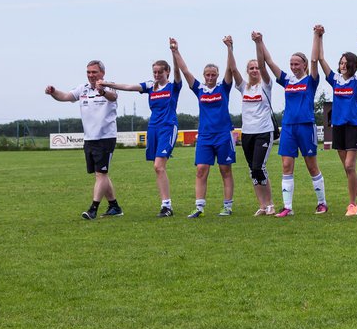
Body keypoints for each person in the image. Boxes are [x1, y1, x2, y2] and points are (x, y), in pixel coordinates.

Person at [253, 29, 328, 216]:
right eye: (291, 64)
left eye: (297, 64)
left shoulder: (311, 80)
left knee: (311, 165)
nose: (293, 67)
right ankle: (287, 207)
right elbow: (269, 62)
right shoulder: (287, 80)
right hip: (288, 127)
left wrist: (316, 36)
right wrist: (260, 42)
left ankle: (322, 203)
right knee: (286, 165)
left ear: (303, 65)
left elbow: (314, 59)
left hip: (305, 126)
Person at [98, 53, 181, 216]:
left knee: (159, 166)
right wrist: (106, 83)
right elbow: (129, 87)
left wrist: (174, 52)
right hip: (153, 128)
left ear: (167, 72)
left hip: (168, 127)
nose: (157, 75)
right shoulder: (150, 86)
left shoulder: (173, 87)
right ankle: (165, 205)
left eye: (160, 72)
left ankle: (167, 206)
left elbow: (179, 72)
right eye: (155, 72)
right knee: (157, 168)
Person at [44, 59, 123, 219]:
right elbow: (65, 96)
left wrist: (102, 91)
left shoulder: (110, 86)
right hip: (89, 138)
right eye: (88, 72)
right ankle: (114, 206)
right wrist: (53, 92)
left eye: (94, 72)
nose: (91, 75)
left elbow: (113, 97)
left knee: (101, 174)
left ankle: (93, 209)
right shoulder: (83, 89)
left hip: (105, 137)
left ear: (102, 73)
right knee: (101, 174)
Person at [171, 37, 236, 218]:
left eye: (213, 74)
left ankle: (227, 206)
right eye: (207, 74)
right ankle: (199, 207)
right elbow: (185, 71)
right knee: (201, 170)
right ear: (203, 75)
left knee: (225, 170)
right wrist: (175, 51)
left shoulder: (223, 88)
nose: (210, 77)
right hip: (205, 136)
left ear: (216, 75)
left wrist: (230, 48)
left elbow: (230, 69)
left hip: (223, 134)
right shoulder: (199, 89)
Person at [316, 25, 357, 216]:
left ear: (352, 65)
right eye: (341, 62)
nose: (342, 65)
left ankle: (352, 204)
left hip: (353, 125)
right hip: (337, 126)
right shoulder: (335, 80)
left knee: (349, 166)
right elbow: (321, 59)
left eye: (346, 63)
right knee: (348, 169)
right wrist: (319, 36)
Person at [235, 49, 275, 216]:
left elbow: (264, 66)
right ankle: (262, 205)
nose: (254, 70)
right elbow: (233, 70)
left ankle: (271, 204)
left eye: (257, 67)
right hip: (247, 133)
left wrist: (257, 43)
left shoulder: (266, 85)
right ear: (247, 71)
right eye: (251, 68)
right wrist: (230, 48)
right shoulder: (244, 87)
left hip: (264, 131)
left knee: (260, 167)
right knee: (252, 170)